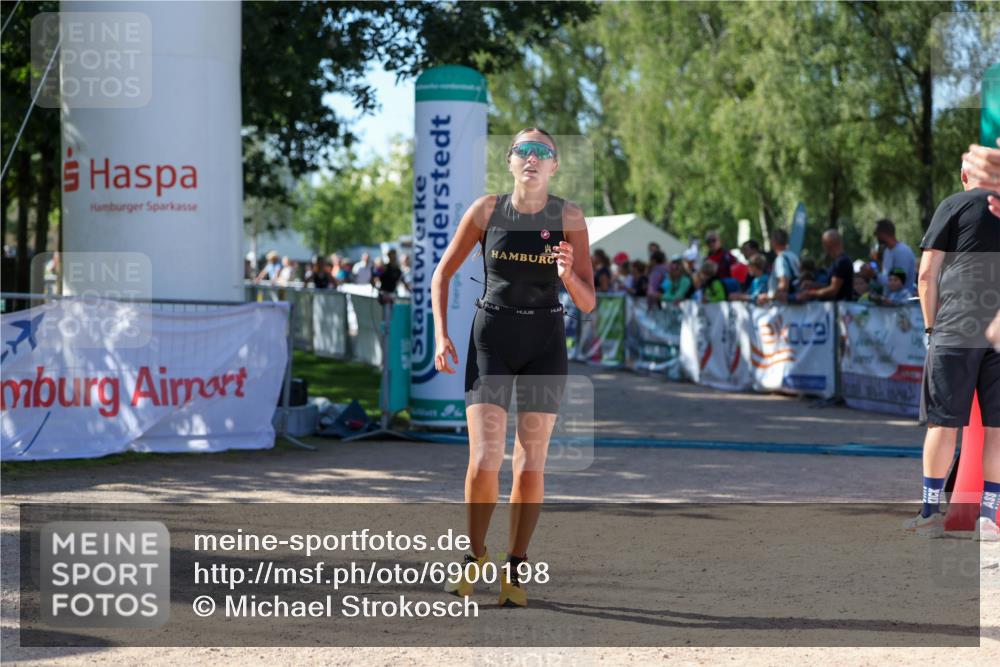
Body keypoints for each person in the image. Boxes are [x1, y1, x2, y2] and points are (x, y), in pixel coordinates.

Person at [431, 128, 596, 606]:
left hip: (545, 341)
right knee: (485, 459)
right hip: (492, 340)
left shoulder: (569, 217)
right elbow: (442, 273)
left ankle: (516, 567)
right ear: (509, 162)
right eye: (523, 150)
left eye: (543, 151)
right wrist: (442, 334)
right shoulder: (487, 211)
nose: (532, 157)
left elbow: (587, 302)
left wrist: (566, 276)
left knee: (530, 463)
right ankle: (474, 555)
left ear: (554, 167)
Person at [905, 158, 1000, 541]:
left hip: (957, 325)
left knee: (943, 425)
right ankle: (990, 519)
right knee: (997, 428)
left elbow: (927, 273)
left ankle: (930, 513)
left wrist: (930, 327)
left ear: (965, 174)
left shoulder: (953, 205)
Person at [798, 229, 853, 302]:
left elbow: (833, 290)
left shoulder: (841, 262)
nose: (823, 246)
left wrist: (810, 294)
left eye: (823, 243)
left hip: (839, 308)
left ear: (828, 244)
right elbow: (831, 286)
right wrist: (813, 285)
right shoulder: (839, 261)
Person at [873, 218, 917, 291]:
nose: (875, 236)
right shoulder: (887, 251)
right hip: (890, 301)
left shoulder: (902, 252)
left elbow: (898, 282)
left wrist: (874, 275)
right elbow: (887, 278)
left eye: (876, 233)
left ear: (884, 233)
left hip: (902, 301)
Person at [758, 228, 799, 305]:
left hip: (782, 307)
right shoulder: (793, 256)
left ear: (774, 242)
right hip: (792, 304)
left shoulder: (780, 259)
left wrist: (768, 297)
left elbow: (783, 284)